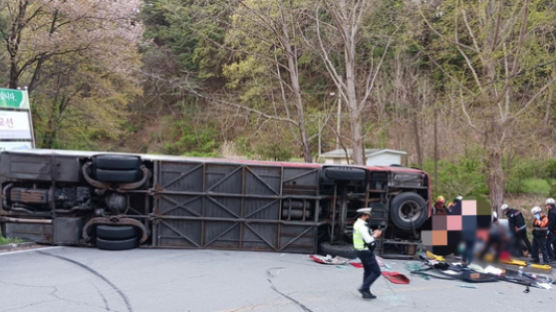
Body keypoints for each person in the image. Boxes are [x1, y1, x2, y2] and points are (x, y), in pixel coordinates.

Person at [353, 207, 382, 299]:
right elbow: (369, 240)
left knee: (368, 271)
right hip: (365, 251)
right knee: (377, 271)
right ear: (364, 216)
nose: (369, 217)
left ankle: (366, 292)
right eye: (367, 215)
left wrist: (371, 234)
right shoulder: (362, 226)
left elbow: (363, 237)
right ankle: (364, 288)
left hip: (360, 250)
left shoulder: (358, 224)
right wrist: (375, 235)